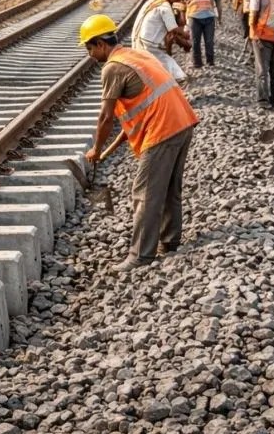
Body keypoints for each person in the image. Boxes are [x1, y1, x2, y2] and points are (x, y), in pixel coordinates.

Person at [80, 14, 198, 272]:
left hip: (163, 129)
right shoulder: (135, 55)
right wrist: (108, 149)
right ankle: (170, 242)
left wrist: (96, 149)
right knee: (169, 188)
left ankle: (141, 255)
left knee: (144, 193)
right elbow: (134, 115)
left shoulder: (112, 68)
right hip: (182, 122)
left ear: (100, 43)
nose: (89, 55)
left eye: (89, 49)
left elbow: (106, 117)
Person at [131, 0, 190, 83]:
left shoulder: (153, 1)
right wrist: (186, 35)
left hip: (142, 40)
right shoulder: (164, 7)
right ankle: (178, 80)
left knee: (158, 64)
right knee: (169, 64)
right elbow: (173, 29)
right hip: (150, 43)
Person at [183, 0, 221, 69]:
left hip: (209, 15)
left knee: (209, 41)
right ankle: (197, 63)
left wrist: (219, 15)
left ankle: (210, 62)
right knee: (195, 41)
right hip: (194, 16)